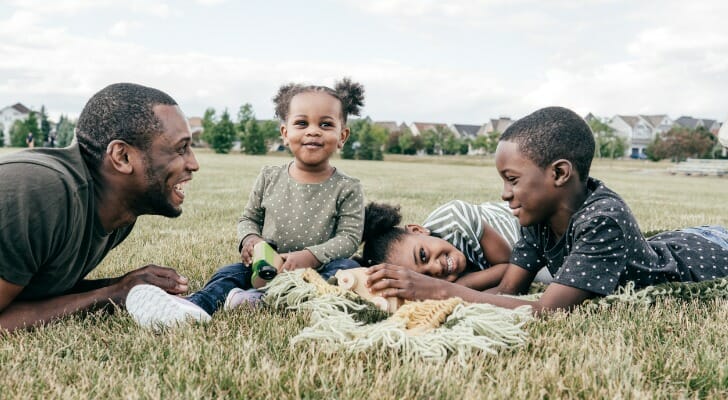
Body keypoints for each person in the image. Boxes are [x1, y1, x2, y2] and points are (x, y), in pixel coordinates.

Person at [366, 106, 728, 314]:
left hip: (708, 254)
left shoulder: (602, 219)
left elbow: (546, 311)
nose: (505, 194)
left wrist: (439, 291)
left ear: (558, 173)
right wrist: (425, 303)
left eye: (512, 179)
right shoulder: (536, 219)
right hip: (679, 240)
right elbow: (510, 291)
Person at [126, 78, 366, 327]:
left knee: (346, 269)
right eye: (302, 123)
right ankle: (194, 306)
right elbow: (249, 219)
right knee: (227, 274)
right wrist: (251, 240)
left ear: (342, 136)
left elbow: (348, 238)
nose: (313, 131)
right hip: (267, 269)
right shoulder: (269, 177)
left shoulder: (347, 187)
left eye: (326, 124)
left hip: (318, 271)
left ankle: (282, 303)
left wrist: (311, 256)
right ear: (285, 133)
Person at [0, 83, 198, 333]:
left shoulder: (119, 211)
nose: (193, 163)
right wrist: (113, 294)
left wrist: (125, 286)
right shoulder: (40, 194)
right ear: (122, 156)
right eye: (181, 149)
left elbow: (32, 291)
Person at [361, 200, 552, 291]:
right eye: (424, 277)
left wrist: (458, 286)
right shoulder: (440, 274)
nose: (436, 268)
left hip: (528, 229)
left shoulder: (454, 218)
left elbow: (510, 266)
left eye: (423, 255)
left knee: (548, 277)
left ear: (417, 230)